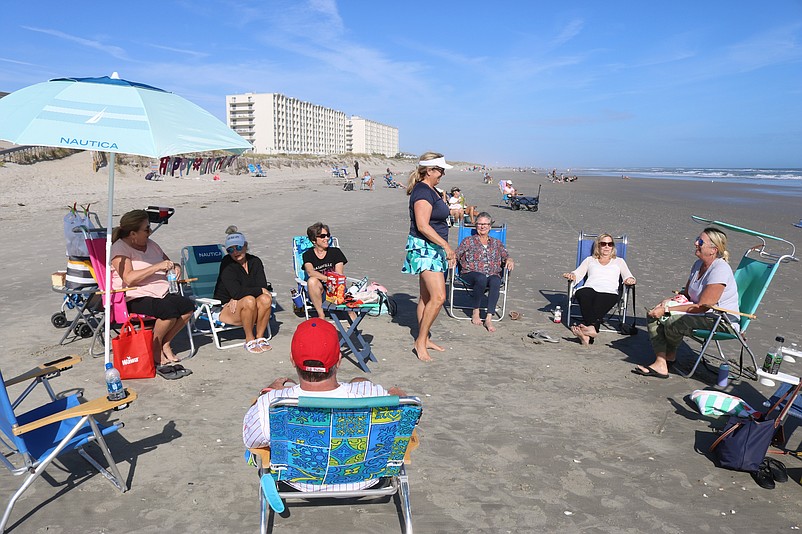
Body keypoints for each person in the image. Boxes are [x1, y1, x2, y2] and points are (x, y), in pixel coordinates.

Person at [242, 318, 406, 491]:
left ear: (292, 359)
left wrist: (266, 392)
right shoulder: (376, 396)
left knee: (287, 388)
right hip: (367, 480)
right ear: (339, 359)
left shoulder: (274, 404)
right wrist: (397, 393)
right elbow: (408, 422)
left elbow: (251, 441)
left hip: (300, 483)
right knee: (359, 381)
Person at [633, 227, 739, 379]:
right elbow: (688, 295)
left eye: (701, 241)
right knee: (653, 313)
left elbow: (704, 305)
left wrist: (668, 310)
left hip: (720, 320)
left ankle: (669, 355)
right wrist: (666, 302)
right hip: (700, 313)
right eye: (698, 238)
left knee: (673, 321)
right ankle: (662, 361)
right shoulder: (698, 265)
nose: (696, 242)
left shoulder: (720, 269)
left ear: (713, 249)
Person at [110, 209, 192, 380]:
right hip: (135, 295)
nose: (150, 232)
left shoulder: (152, 244)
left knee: (188, 307)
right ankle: (155, 347)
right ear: (133, 233)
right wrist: (156, 267)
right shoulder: (120, 249)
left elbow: (168, 262)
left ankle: (166, 342)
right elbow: (129, 278)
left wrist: (175, 267)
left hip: (160, 290)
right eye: (146, 229)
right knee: (168, 311)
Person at [402, 152, 455, 362]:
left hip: (432, 248)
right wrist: (446, 246)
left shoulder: (431, 190)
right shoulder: (422, 192)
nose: (442, 174)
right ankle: (420, 341)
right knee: (439, 297)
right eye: (440, 170)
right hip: (426, 248)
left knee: (426, 297)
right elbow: (423, 225)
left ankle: (424, 339)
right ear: (429, 170)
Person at [562, 234, 636, 345]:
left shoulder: (619, 261)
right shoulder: (590, 260)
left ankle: (586, 337)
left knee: (597, 303)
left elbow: (628, 276)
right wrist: (572, 275)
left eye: (610, 244)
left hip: (609, 292)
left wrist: (630, 280)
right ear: (598, 246)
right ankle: (591, 330)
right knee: (582, 293)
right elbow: (577, 273)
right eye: (603, 244)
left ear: (613, 247)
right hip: (590, 288)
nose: (607, 247)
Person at [213, 226, 274, 353]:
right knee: (249, 300)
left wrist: (242, 295)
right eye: (230, 250)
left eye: (239, 247)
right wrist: (243, 295)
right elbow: (237, 292)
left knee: (265, 298)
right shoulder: (227, 264)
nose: (235, 252)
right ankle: (249, 339)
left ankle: (260, 337)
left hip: (243, 305)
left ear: (245, 246)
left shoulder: (255, 262)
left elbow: (261, 285)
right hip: (224, 308)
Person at [455, 212, 515, 332]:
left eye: (485, 224)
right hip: (470, 274)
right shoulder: (468, 241)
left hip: (492, 273)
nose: (482, 227)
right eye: (479, 224)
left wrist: (510, 259)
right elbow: (457, 254)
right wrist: (452, 259)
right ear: (475, 225)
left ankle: (489, 317)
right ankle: (476, 311)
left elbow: (506, 256)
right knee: (481, 278)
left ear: (490, 226)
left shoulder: (497, 243)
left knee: (495, 280)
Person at [302, 222, 348, 319]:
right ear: (314, 240)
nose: (326, 238)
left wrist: (331, 281)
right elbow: (310, 272)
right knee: (312, 281)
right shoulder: (308, 255)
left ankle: (351, 319)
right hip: (318, 292)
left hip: (335, 290)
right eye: (322, 236)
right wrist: (328, 279)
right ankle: (321, 314)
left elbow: (339, 274)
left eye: (328, 235)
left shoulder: (335, 252)